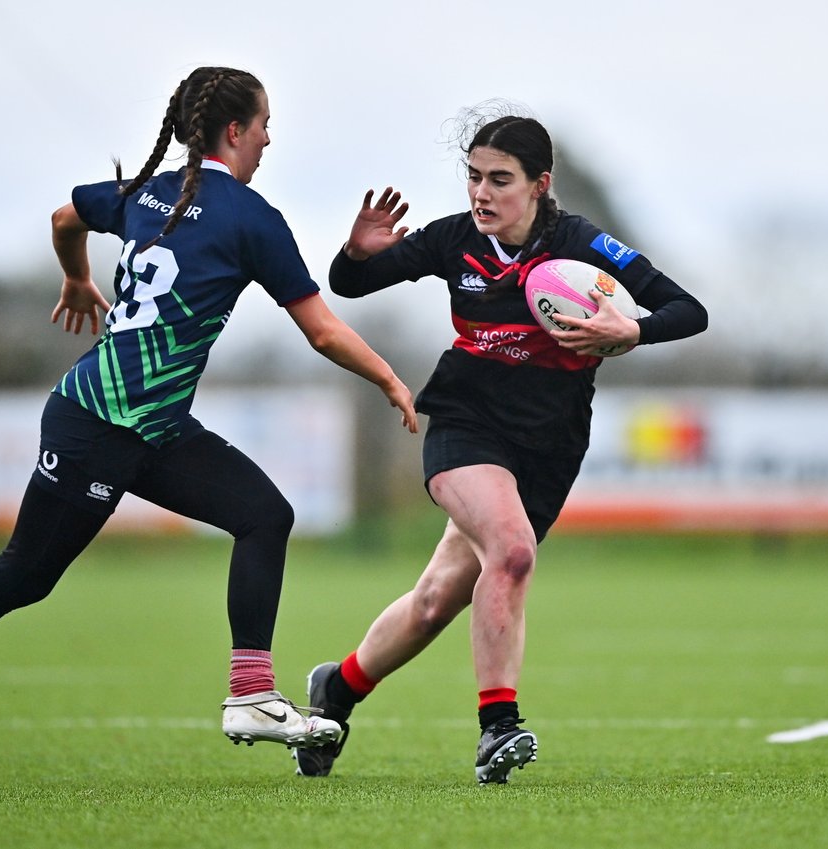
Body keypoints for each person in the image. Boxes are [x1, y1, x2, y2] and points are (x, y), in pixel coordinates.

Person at [0, 66, 418, 785]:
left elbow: (63, 219)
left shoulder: (148, 194)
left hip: (152, 426)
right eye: (265, 123)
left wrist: (76, 277)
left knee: (264, 515)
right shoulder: (251, 218)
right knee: (26, 572)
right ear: (234, 131)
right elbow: (325, 333)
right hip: (98, 423)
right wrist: (392, 378)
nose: (271, 138)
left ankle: (251, 693)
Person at [294, 106, 708, 784]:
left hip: (549, 442)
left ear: (540, 183)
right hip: (466, 421)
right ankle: (498, 728)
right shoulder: (453, 240)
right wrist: (357, 251)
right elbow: (349, 283)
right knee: (511, 552)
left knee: (436, 600)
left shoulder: (582, 245)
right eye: (474, 176)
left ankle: (335, 690)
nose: (482, 193)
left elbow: (688, 309)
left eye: (501, 179)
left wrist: (631, 329)